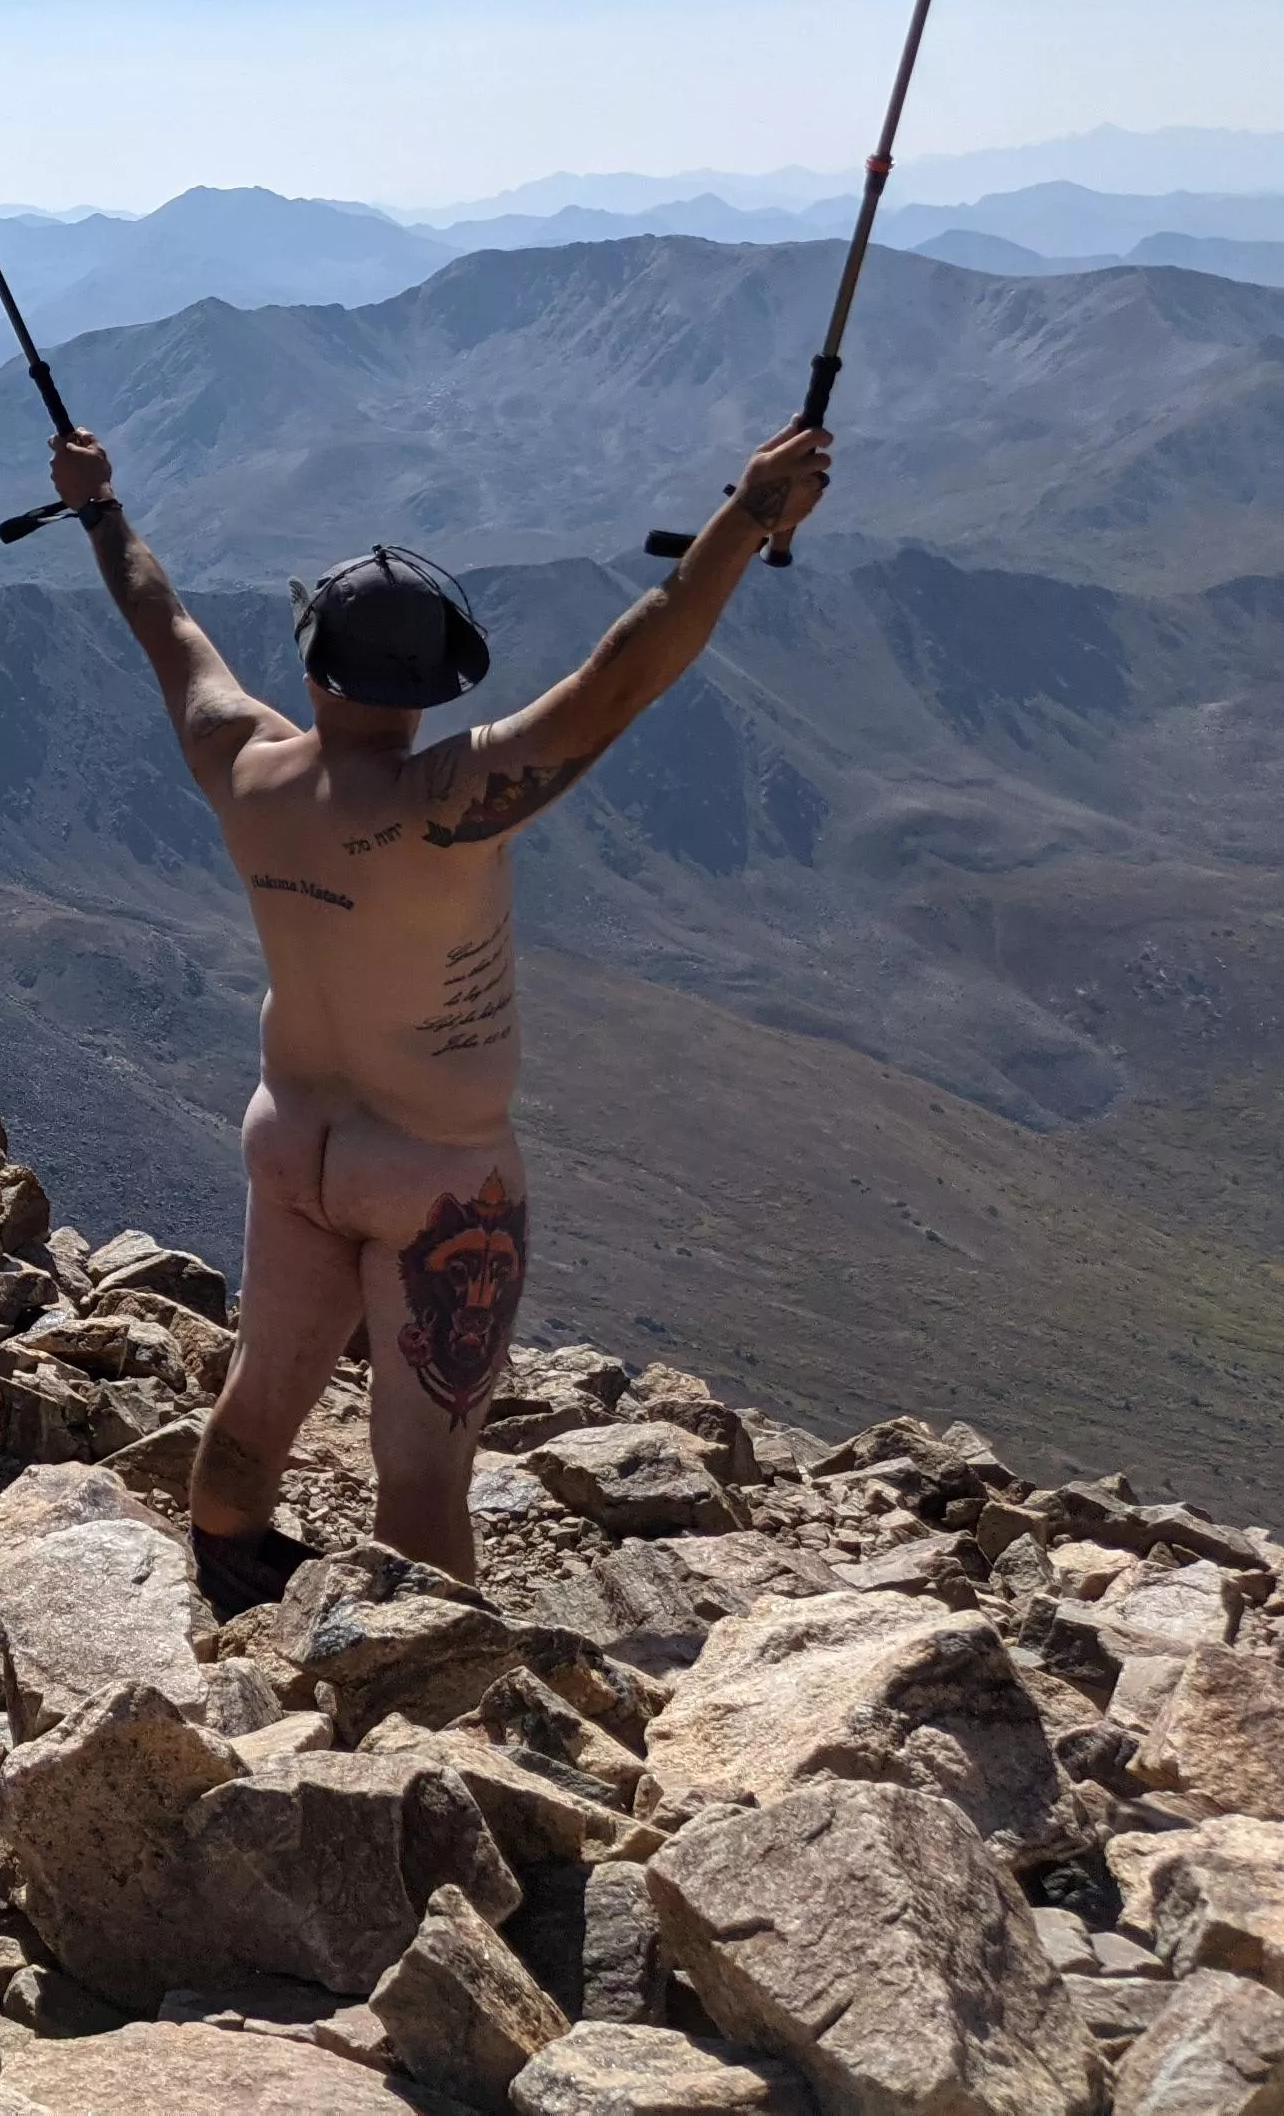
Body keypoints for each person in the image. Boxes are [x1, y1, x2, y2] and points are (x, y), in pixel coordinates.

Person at [47, 419, 834, 1608]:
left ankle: (229, 1585)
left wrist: (101, 508)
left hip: (288, 1141)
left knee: (262, 1390)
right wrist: (747, 518)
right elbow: (626, 673)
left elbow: (165, 622)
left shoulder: (240, 761)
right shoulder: (454, 801)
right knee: (421, 1474)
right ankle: (428, 1704)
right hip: (436, 1177)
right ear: (436, 687)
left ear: (312, 665)